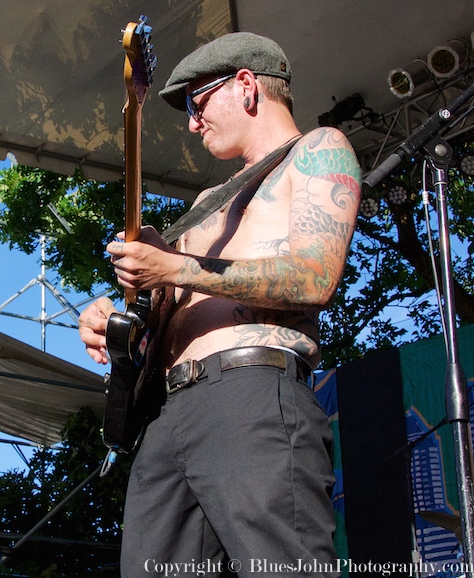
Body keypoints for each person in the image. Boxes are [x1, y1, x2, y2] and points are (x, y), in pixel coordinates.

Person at [78, 32, 361, 576]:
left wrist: (175, 267)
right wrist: (112, 320)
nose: (191, 122)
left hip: (252, 395)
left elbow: (314, 277)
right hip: (168, 415)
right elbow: (161, 312)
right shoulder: (206, 205)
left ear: (247, 86)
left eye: (196, 101)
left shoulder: (318, 149)